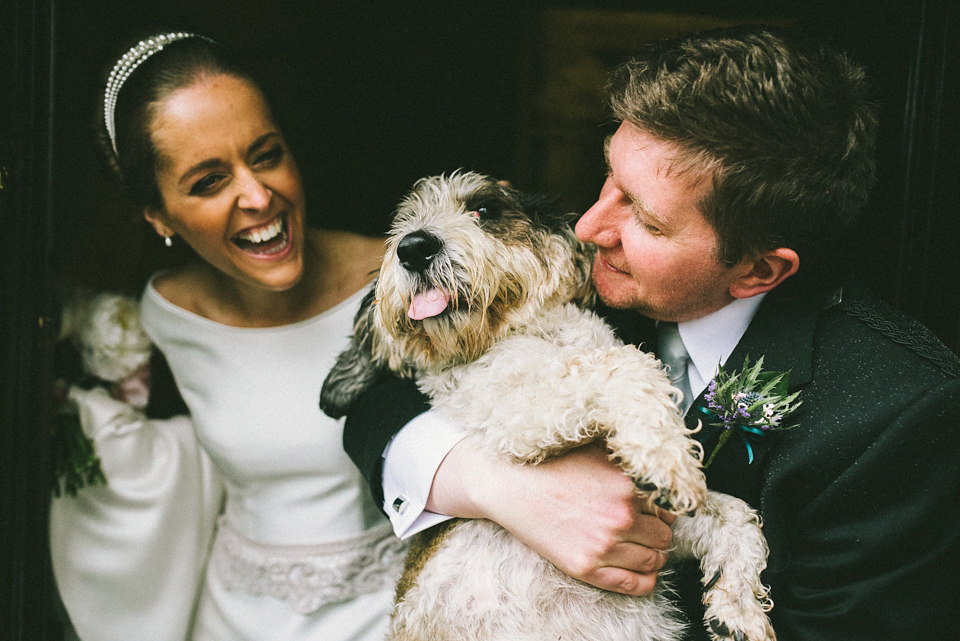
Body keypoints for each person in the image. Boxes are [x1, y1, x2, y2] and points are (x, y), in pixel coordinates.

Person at [340, 25, 960, 640]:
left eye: (644, 215)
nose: (588, 226)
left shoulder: (901, 416)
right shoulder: (575, 280)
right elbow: (372, 394)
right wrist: (498, 486)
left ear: (758, 270)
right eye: (610, 178)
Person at [49, 32, 403, 641]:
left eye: (266, 155)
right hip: (233, 621)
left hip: (391, 618)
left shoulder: (399, 281)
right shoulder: (165, 312)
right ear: (158, 215)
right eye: (209, 182)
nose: (258, 196)